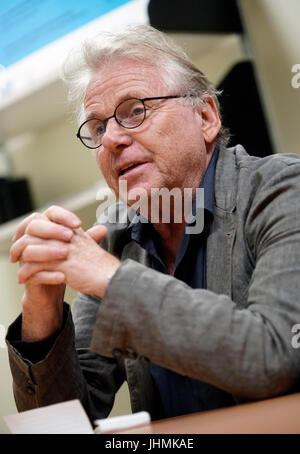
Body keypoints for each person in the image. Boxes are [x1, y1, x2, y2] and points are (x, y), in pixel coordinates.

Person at [6, 25, 300, 423]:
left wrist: (111, 278)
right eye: (98, 127)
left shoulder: (284, 189)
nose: (111, 138)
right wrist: (43, 308)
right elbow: (62, 423)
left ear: (205, 116)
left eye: (135, 111)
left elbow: (276, 357)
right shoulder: (115, 239)